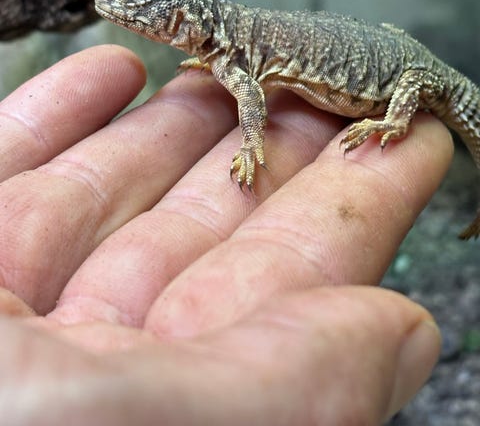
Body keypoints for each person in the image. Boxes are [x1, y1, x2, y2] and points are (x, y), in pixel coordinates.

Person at [0, 45, 452, 425]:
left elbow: (251, 97)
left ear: (182, 15)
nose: (127, 6)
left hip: (407, 74)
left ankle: (397, 121)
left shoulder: (235, 57)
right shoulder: (227, 51)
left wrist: (252, 144)